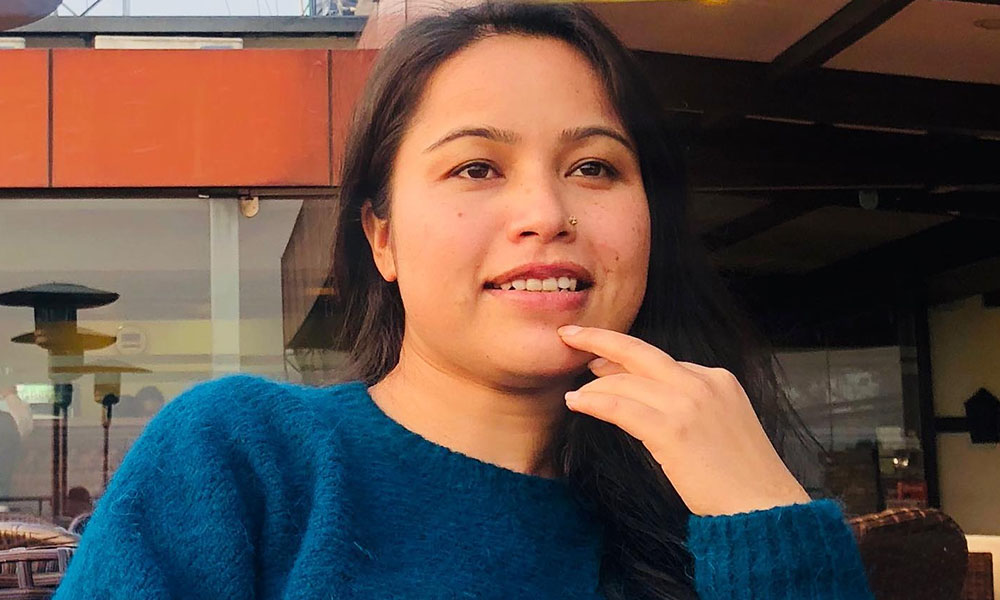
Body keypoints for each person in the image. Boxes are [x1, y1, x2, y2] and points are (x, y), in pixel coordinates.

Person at [53, 3, 873, 599]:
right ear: (382, 238)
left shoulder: (706, 506)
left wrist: (762, 517)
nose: (546, 214)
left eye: (593, 167)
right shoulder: (242, 459)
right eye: (476, 168)